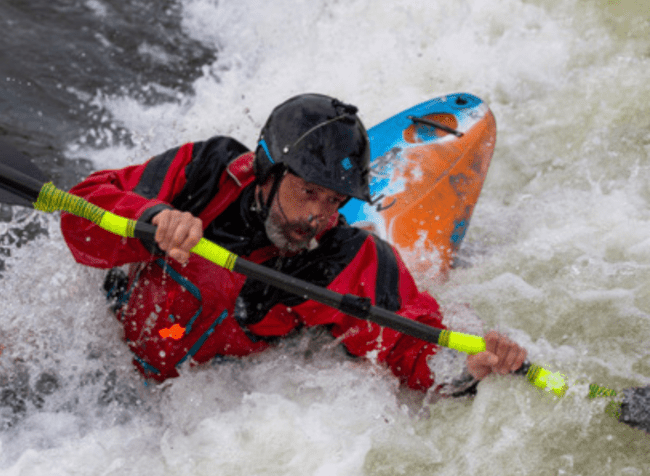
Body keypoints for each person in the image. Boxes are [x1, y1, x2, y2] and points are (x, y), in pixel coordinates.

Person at [60, 93, 526, 394]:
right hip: (103, 343)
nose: (317, 217)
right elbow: (81, 210)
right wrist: (152, 219)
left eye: (335, 199)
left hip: (187, 398)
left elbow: (411, 351)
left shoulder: (346, 258)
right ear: (267, 172)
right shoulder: (205, 173)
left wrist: (471, 368)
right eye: (307, 192)